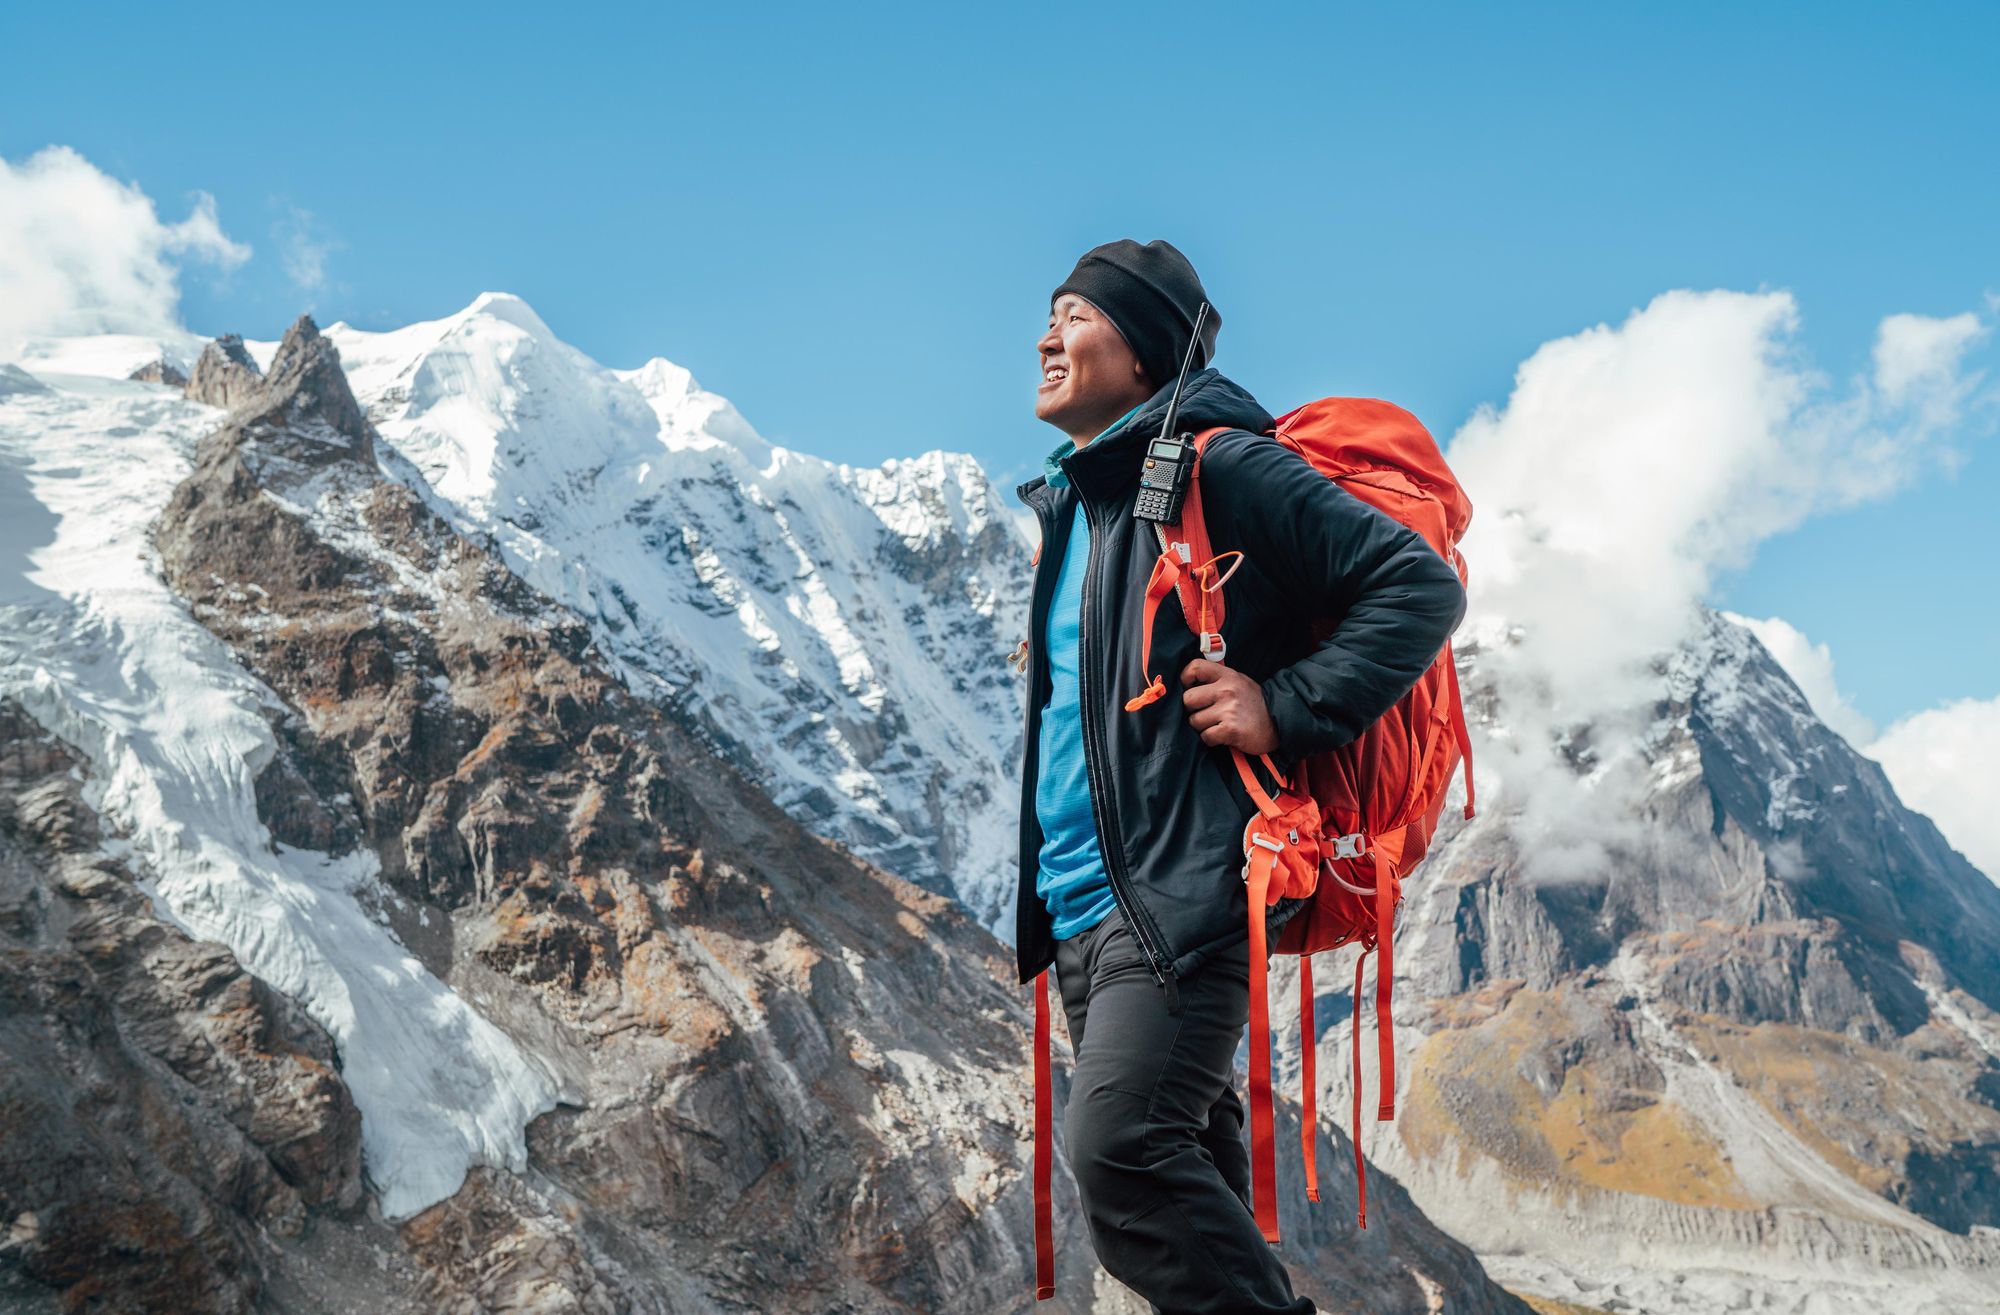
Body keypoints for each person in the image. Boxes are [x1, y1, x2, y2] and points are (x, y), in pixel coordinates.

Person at [1016, 238, 1468, 1314]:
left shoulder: (1216, 464)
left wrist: (1285, 704)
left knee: (1121, 1147)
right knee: (1183, 1164)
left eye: (1075, 314)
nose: (1044, 335)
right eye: (1048, 311)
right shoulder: (1081, 504)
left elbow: (1411, 588)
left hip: (1178, 899)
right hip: (1084, 912)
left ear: (1143, 355)